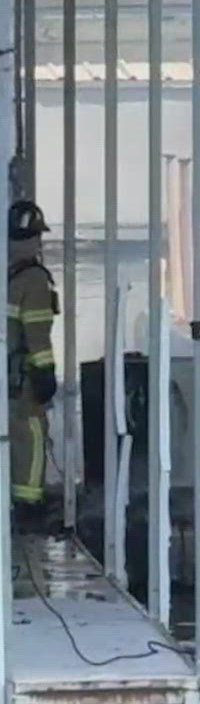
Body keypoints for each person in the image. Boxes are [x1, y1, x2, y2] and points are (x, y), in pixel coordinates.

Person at [7, 199, 56, 520]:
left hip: (6, 373)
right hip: (21, 376)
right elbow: (37, 332)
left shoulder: (6, 274)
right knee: (33, 433)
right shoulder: (34, 279)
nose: (40, 243)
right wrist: (45, 373)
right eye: (37, 236)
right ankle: (29, 503)